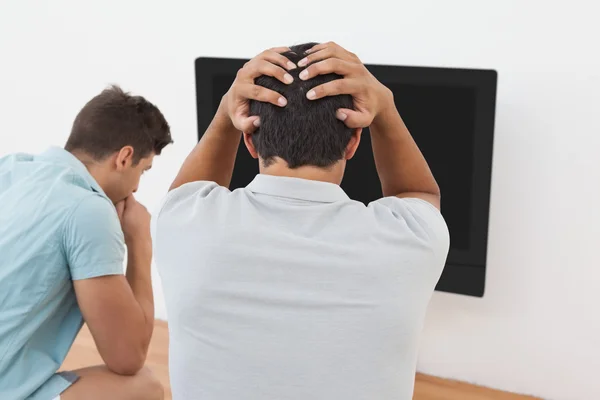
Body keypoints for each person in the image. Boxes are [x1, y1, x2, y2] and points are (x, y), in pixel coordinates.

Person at [154, 42, 450, 400]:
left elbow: (191, 190)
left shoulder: (183, 223)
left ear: (248, 138)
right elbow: (418, 191)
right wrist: (384, 105)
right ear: (355, 141)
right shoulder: (412, 238)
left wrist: (223, 113)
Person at [0, 86, 172, 400]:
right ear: (125, 157)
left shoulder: (11, 168)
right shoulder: (88, 210)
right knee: (144, 388)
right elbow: (127, 357)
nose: (136, 186)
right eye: (143, 172)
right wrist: (140, 244)